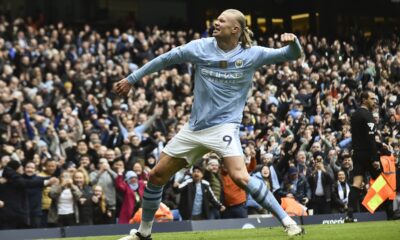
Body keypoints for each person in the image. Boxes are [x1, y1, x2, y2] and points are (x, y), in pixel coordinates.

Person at [115, 9, 304, 240]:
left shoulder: (253, 54)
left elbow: (291, 54)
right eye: (217, 19)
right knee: (155, 176)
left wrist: (294, 41)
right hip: (194, 129)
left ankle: (288, 222)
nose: (216, 22)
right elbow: (165, 59)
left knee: (240, 177)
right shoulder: (200, 47)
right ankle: (143, 234)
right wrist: (131, 79)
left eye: (222, 20)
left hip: (224, 127)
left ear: (235, 29)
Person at [346, 91, 381, 221]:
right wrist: (375, 158)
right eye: (372, 99)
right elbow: (370, 138)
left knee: (356, 183)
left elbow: (357, 136)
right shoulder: (368, 115)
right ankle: (386, 210)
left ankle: (349, 214)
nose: (375, 101)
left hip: (357, 154)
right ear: (364, 100)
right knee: (382, 181)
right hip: (368, 154)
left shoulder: (354, 115)